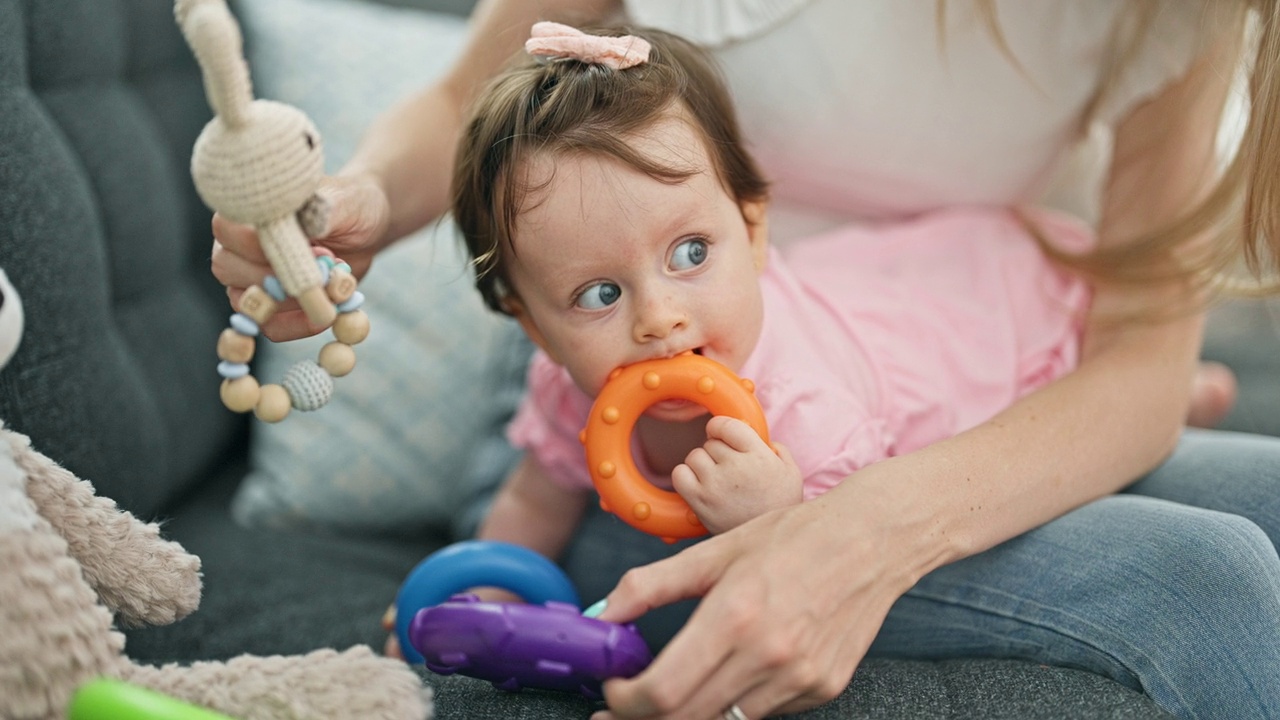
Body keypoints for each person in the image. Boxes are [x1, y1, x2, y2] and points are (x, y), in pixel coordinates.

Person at [211, 2, 1280, 719]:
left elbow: (1126, 356)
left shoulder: (1172, 22)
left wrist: (806, 515)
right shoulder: (574, 369)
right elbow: (465, 106)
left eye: (690, 255)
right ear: (530, 324)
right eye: (600, 296)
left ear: (750, 226)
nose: (659, 319)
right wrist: (348, 207)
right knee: (1209, 578)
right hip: (641, 493)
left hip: (887, 410)